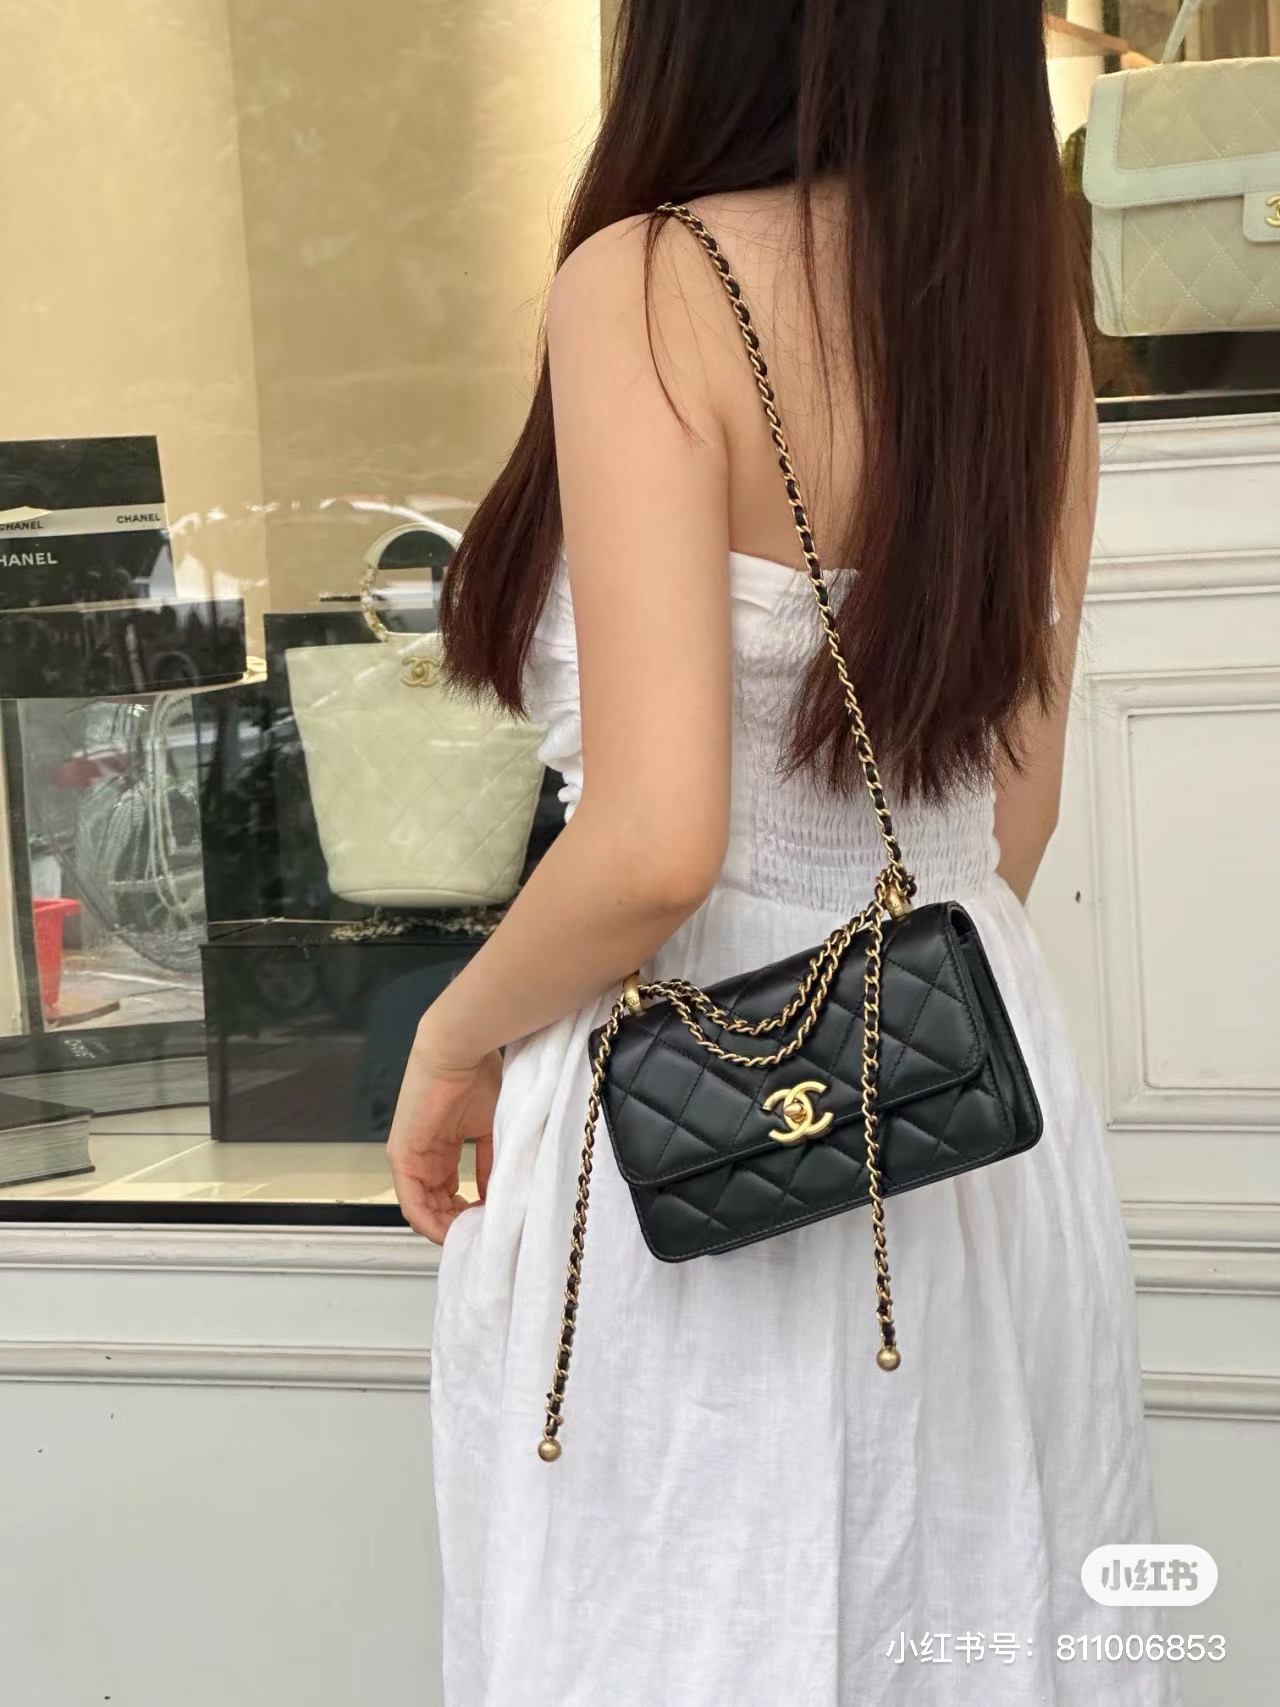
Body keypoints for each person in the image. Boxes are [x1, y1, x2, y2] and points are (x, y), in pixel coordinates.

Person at [386, 3, 1180, 1702]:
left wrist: (452, 1041)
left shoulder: (653, 283)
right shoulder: (1019, 323)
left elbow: (657, 846)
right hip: (965, 1106)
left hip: (697, 1114)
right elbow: (1008, 817)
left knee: (693, 1628)